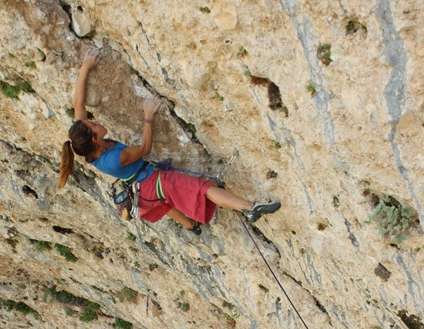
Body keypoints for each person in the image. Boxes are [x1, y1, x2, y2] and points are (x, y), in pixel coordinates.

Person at [58, 48, 281, 233]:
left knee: (164, 203)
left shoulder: (85, 144)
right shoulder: (114, 159)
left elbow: (79, 105)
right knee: (203, 188)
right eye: (93, 124)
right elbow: (145, 148)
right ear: (96, 139)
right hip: (153, 182)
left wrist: (86, 66)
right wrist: (148, 116)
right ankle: (249, 208)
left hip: (142, 191)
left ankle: (190, 225)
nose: (95, 121)